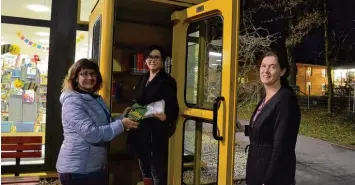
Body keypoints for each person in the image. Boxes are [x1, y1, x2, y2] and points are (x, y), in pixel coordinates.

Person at [56, 58, 139, 185]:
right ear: (75, 78)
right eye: (84, 74)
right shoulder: (72, 102)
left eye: (93, 73)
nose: (90, 77)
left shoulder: (94, 98)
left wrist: (122, 117)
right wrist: (122, 124)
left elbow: (105, 125)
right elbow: (92, 134)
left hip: (93, 166)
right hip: (77, 170)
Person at [245, 51, 301, 185]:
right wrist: (244, 128)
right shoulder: (266, 99)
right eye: (263, 66)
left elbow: (282, 148)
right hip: (257, 170)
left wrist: (268, 180)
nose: (266, 70)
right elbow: (266, 130)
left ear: (282, 72)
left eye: (272, 66)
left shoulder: (285, 101)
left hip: (272, 177)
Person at [128, 46, 179, 185]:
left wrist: (166, 116)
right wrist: (133, 114)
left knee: (156, 169)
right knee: (144, 167)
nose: (153, 60)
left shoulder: (168, 80)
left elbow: (174, 106)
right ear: (145, 60)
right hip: (140, 128)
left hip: (156, 129)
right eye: (150, 57)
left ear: (162, 61)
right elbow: (137, 99)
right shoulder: (143, 78)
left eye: (157, 57)